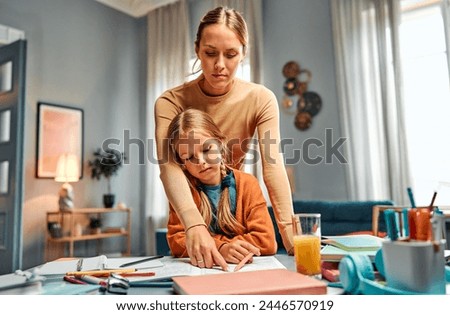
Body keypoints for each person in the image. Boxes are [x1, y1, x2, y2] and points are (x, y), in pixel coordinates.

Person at [155, 6, 294, 270]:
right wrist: (195, 226)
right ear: (197, 50)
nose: (220, 65)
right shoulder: (169, 101)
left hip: (232, 204)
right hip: (193, 203)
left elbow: (273, 166)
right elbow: (169, 166)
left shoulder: (260, 99)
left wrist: (293, 237)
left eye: (230, 54)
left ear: (243, 52)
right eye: (209, 53)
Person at [166, 109, 277, 264]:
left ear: (220, 143)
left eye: (206, 149)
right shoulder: (182, 191)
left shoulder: (248, 183)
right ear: (182, 163)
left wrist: (212, 245)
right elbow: (177, 242)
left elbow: (266, 241)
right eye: (189, 157)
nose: (201, 161)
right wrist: (221, 248)